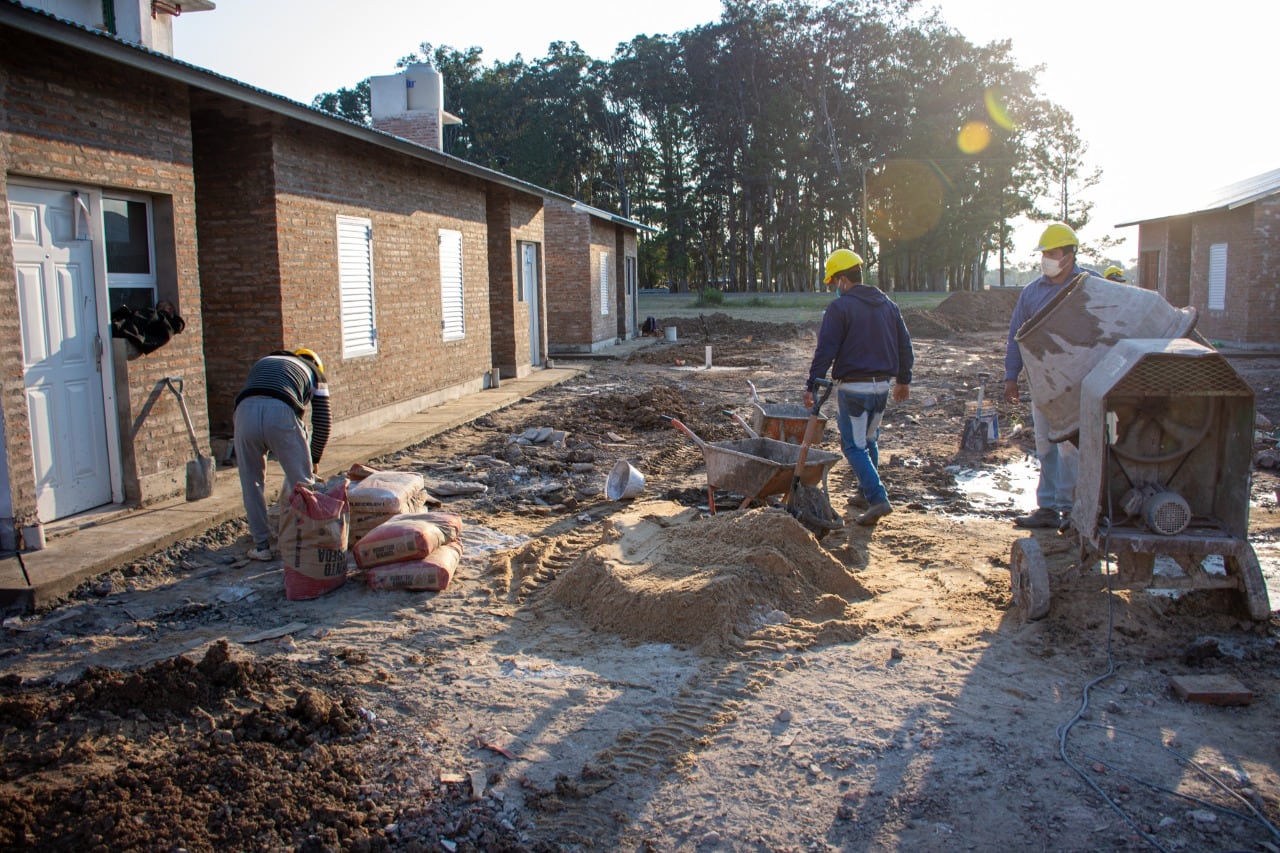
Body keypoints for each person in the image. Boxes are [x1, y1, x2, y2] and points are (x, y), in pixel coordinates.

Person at [805, 248, 914, 527]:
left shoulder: (840, 308)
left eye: (834, 283)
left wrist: (812, 384)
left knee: (853, 446)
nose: (835, 289)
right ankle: (865, 492)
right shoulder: (888, 305)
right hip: (882, 389)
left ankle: (878, 498)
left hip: (854, 389)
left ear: (842, 280)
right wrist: (904, 380)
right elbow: (905, 345)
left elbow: (825, 350)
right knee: (869, 440)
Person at [1004, 222, 1100, 529]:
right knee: (1046, 446)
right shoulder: (1032, 293)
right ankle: (1047, 507)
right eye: (1044, 253)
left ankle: (1074, 509)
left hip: (1081, 384)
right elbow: (1016, 335)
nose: (1047, 258)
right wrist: (1011, 376)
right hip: (1044, 383)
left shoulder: (1093, 286)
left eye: (1053, 253)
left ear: (1070, 255)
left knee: (1073, 449)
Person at [234, 348, 332, 560]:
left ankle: (261, 547)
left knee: (251, 483)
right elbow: (323, 423)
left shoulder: (264, 361)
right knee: (303, 484)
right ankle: (309, 540)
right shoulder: (315, 372)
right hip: (281, 410)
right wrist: (314, 459)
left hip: (243, 412)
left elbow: (259, 392)